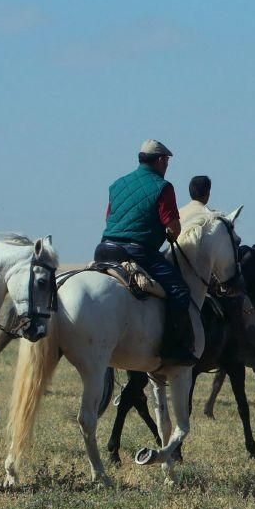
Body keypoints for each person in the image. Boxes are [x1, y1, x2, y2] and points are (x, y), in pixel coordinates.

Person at [94, 139, 197, 366]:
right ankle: (173, 349)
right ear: (160, 160)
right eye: (167, 161)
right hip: (137, 252)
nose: (167, 165)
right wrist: (169, 235)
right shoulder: (163, 187)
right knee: (180, 291)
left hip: (104, 250)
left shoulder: (117, 184)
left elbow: (108, 218)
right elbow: (173, 227)